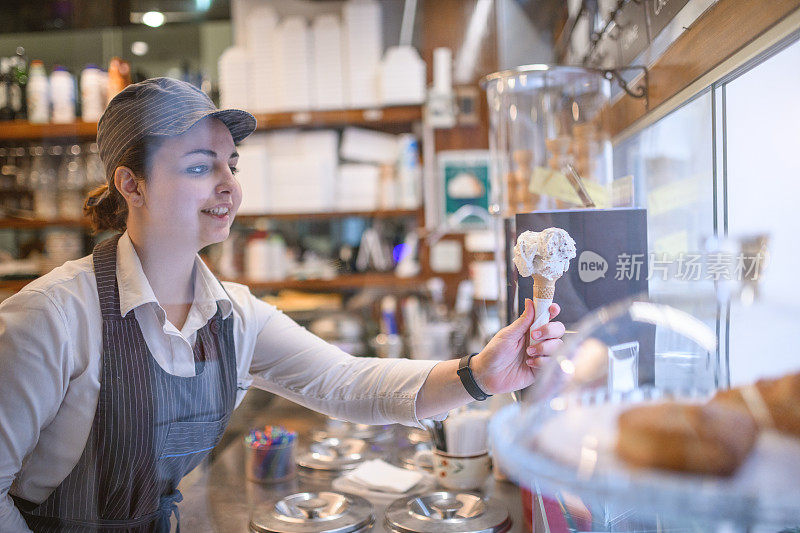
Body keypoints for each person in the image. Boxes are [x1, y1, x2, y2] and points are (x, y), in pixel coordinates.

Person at [0, 77, 565, 532]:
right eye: (200, 166)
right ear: (132, 184)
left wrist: (479, 374)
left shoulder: (233, 316)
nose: (228, 185)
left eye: (231, 165)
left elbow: (346, 384)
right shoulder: (52, 318)